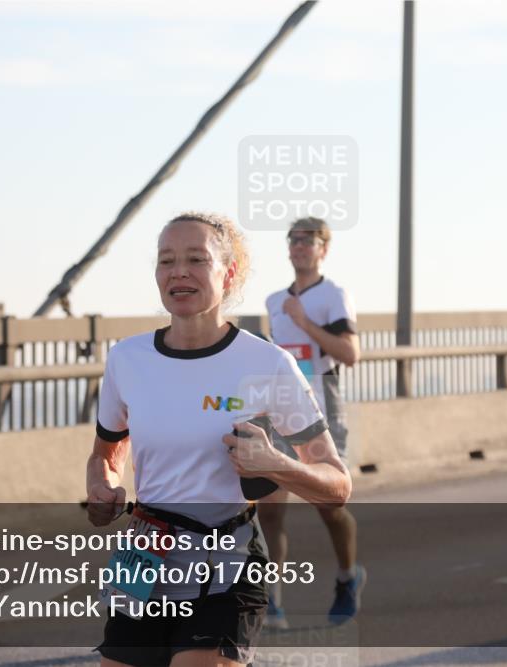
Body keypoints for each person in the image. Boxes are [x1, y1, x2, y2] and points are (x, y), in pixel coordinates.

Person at [86, 211, 352, 667]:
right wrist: (101, 488)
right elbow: (106, 455)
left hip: (225, 564)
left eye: (196, 259)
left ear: (228, 274)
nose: (179, 272)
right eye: (166, 260)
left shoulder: (268, 364)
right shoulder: (127, 359)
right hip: (143, 558)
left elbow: (337, 483)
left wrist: (276, 464)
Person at [259, 217, 364, 628]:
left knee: (329, 506)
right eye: (294, 239)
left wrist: (305, 323)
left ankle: (348, 577)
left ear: (324, 249)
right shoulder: (274, 300)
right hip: (280, 412)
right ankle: (271, 600)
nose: (300, 246)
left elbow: (350, 353)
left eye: (309, 240)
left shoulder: (333, 296)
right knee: (269, 511)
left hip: (322, 414)